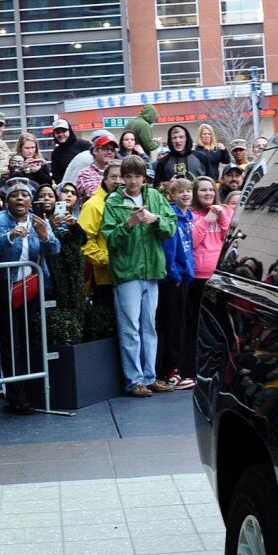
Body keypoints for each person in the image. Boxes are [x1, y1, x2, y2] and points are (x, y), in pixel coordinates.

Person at [101, 155, 177, 396]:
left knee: (149, 327)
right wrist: (129, 223)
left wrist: (155, 220)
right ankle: (134, 381)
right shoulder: (113, 202)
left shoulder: (155, 197)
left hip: (152, 270)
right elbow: (110, 240)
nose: (133, 181)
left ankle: (150, 376)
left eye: (137, 176)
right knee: (130, 328)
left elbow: (171, 226)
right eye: (129, 176)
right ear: (122, 178)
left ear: (144, 177)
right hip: (127, 273)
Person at [0, 177, 58, 415]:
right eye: (15, 195)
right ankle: (15, 397)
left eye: (25, 195)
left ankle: (31, 394)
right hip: (4, 289)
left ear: (31, 200)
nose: (20, 199)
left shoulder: (39, 221)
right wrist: (9, 237)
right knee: (10, 344)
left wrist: (45, 235)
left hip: (31, 289)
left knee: (29, 342)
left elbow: (55, 249)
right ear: (7, 200)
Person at [186, 176, 232, 379]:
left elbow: (230, 239)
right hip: (197, 277)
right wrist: (206, 220)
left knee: (219, 326)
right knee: (197, 325)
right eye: (203, 190)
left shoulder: (225, 210)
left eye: (211, 190)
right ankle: (196, 367)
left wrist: (221, 218)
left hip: (219, 277)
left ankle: (220, 368)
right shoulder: (192, 214)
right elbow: (192, 242)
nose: (207, 194)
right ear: (196, 193)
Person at [157, 177, 196, 390]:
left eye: (189, 191)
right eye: (180, 192)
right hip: (173, 281)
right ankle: (169, 373)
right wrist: (175, 276)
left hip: (184, 278)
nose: (186, 194)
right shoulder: (171, 217)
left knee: (179, 326)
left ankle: (173, 370)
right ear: (172, 195)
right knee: (173, 327)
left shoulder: (187, 217)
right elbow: (170, 253)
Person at [79, 159, 121, 308]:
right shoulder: (93, 204)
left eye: (122, 177)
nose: (118, 181)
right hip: (104, 277)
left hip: (129, 274)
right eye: (114, 177)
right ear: (105, 179)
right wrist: (106, 261)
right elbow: (84, 241)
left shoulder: (129, 202)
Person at [67, 132, 119, 201]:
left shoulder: (118, 172)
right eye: (105, 149)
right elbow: (95, 195)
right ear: (95, 151)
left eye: (112, 150)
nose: (109, 152)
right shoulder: (85, 174)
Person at [48, 117, 90, 184]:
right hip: (69, 190)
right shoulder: (56, 153)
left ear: (69, 131)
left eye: (64, 131)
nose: (61, 134)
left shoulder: (84, 145)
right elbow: (56, 176)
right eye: (58, 132)